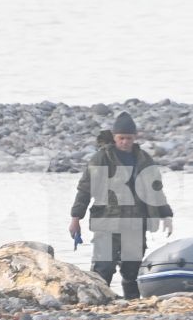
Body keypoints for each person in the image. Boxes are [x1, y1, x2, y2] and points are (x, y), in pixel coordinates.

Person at [68, 111, 173, 300]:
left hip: (135, 223)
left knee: (132, 270)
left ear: (135, 137)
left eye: (129, 138)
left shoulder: (144, 159)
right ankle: (98, 304)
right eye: (121, 138)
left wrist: (166, 215)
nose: (125, 142)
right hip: (107, 223)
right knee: (104, 267)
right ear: (114, 137)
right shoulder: (102, 158)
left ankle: (132, 304)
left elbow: (156, 190)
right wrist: (76, 218)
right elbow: (85, 189)